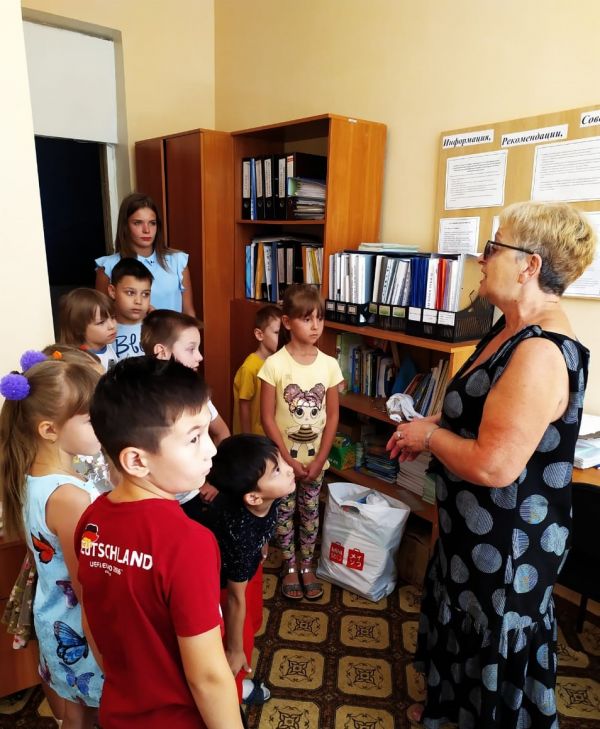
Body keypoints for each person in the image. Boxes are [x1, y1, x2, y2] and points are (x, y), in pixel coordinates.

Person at [387, 201, 596, 729]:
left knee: (490, 636)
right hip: (471, 528)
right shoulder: (509, 328)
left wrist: (430, 437)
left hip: (507, 543)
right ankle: (448, 710)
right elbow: (477, 409)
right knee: (460, 621)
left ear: (529, 265)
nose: (480, 259)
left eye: (492, 247)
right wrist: (431, 426)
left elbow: (496, 465)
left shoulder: (541, 352)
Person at [75, 357, 243, 729]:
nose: (211, 449)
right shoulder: (189, 543)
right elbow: (208, 677)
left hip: (119, 711)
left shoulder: (92, 521)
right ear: (137, 460)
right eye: (194, 438)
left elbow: (91, 618)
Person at [0, 353, 104, 728]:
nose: (105, 424)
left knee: (75, 714)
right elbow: (88, 587)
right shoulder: (69, 498)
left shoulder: (34, 478)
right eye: (93, 419)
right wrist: (106, 654)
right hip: (81, 631)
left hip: (55, 620)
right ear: (49, 430)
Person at [259, 284, 343, 600]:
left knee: (310, 512)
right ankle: (290, 565)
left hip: (315, 461)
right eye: (307, 319)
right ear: (287, 322)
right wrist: (288, 459)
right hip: (284, 462)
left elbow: (332, 416)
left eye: (320, 318)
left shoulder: (329, 364)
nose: (315, 326)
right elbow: (267, 418)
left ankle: (306, 564)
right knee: (283, 512)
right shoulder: (275, 365)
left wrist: (320, 459)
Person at [200, 434, 295, 704]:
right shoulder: (240, 534)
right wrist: (234, 648)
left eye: (281, 461)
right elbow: (233, 598)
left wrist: (262, 544)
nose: (289, 468)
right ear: (253, 497)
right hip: (224, 588)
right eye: (277, 470)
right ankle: (232, 690)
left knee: (250, 621)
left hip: (246, 570)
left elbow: (266, 521)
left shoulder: (270, 495)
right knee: (236, 643)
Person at [95, 192, 195, 315]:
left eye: (152, 223)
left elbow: (189, 312)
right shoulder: (107, 267)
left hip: (173, 328)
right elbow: (102, 317)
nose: (147, 230)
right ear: (125, 226)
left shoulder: (178, 262)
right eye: (138, 223)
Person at [232, 304, 281, 435]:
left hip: (270, 435)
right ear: (259, 335)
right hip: (253, 439)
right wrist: (248, 439)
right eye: (277, 333)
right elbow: (244, 405)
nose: (282, 338)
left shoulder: (278, 363)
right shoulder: (249, 367)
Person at [58, 288, 117, 371]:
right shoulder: (82, 362)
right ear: (78, 329)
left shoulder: (108, 345)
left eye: (113, 317)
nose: (112, 326)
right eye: (101, 322)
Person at [107, 257, 153, 361]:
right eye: (130, 293)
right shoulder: (103, 329)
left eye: (145, 294)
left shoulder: (157, 327)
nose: (138, 301)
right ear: (112, 291)